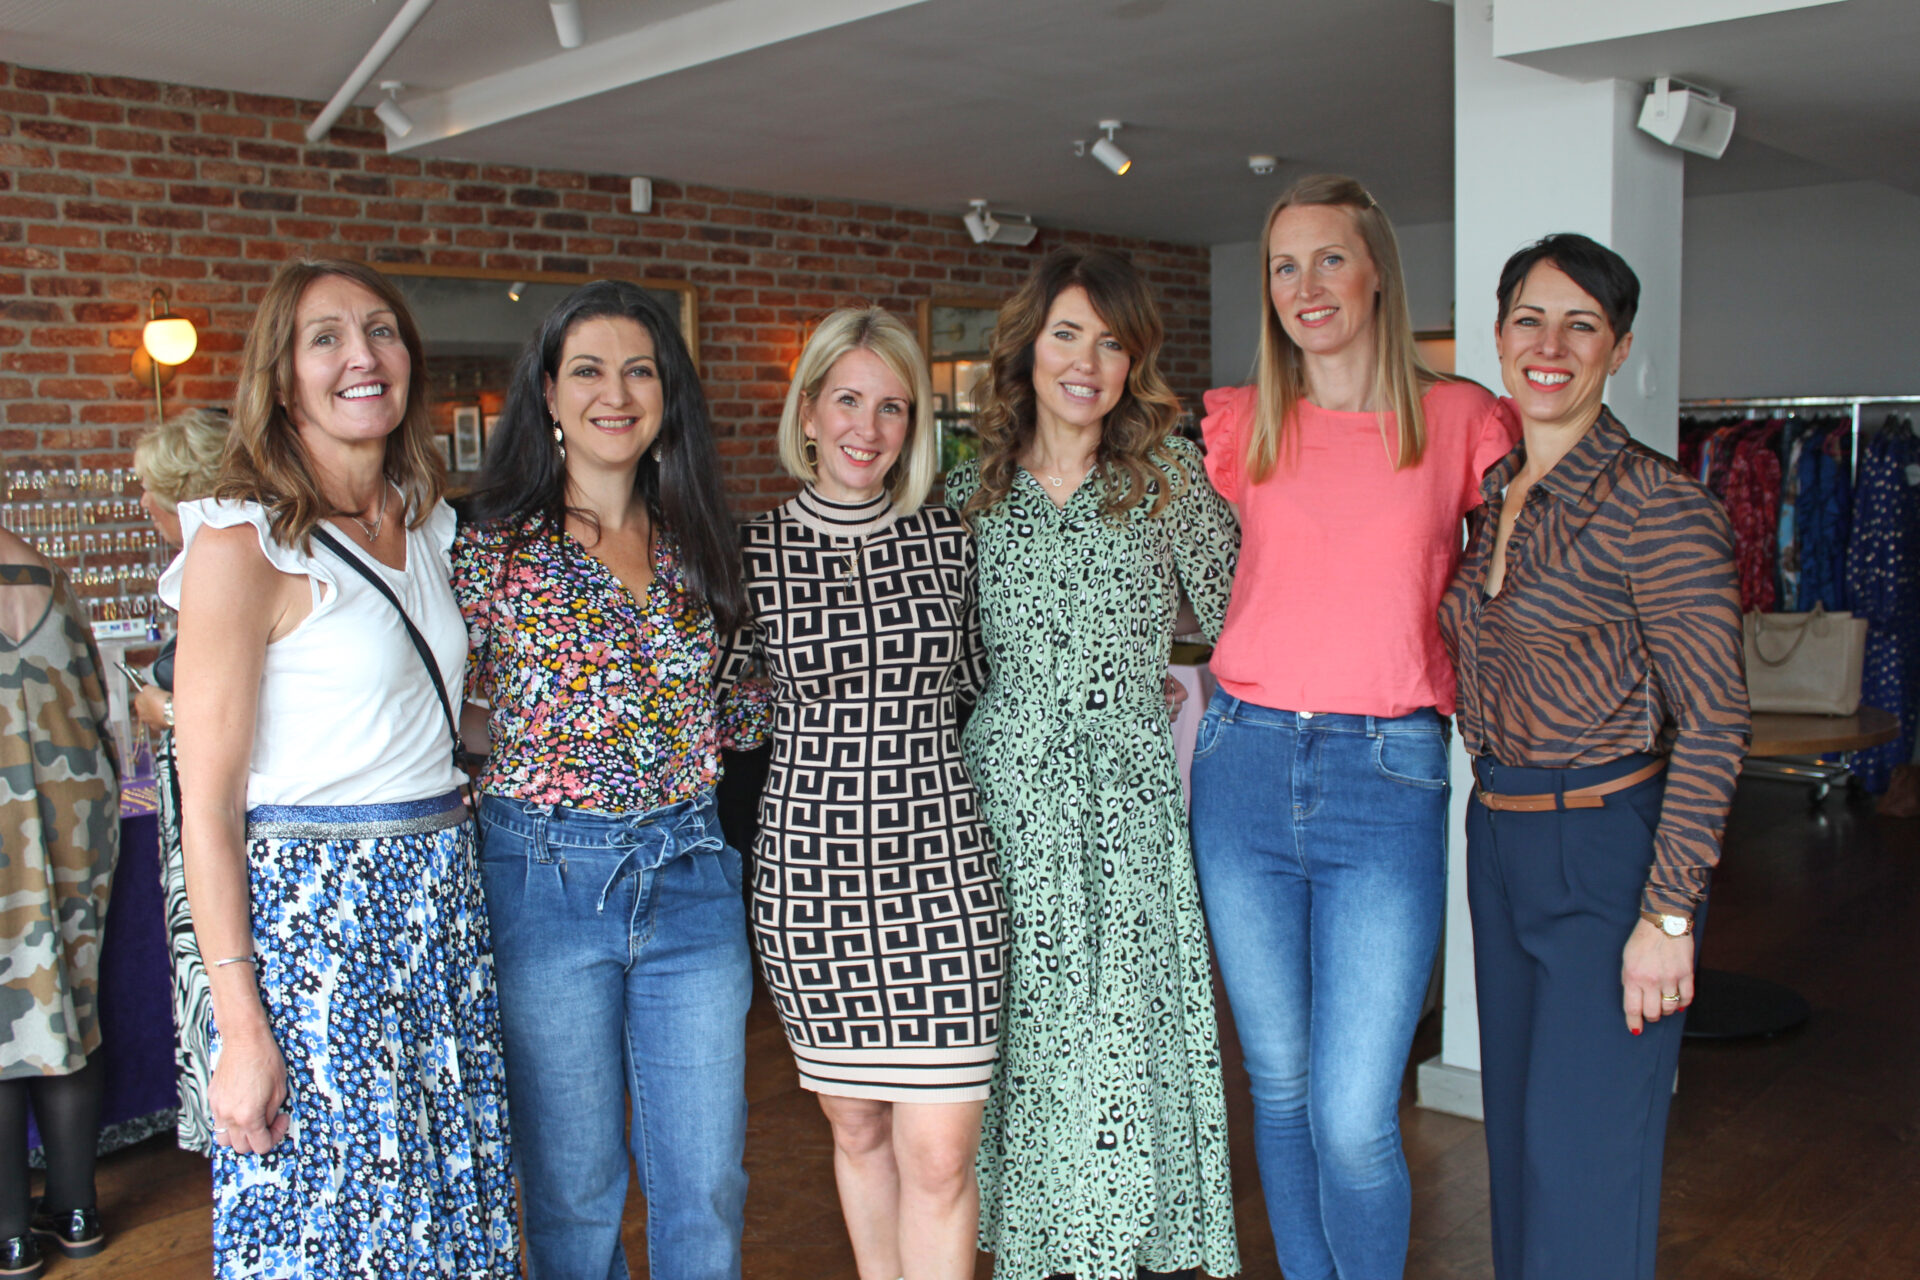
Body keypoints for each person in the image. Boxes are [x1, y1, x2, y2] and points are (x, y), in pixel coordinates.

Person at [1187, 174, 1516, 1280]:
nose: (1305, 285)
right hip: (1240, 761)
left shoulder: (1465, 420)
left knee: (1354, 1110)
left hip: (1387, 772)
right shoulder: (1238, 425)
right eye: (1284, 264)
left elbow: (1544, 565)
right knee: (1276, 1081)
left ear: (1377, 270)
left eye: (1330, 258)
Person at [163, 258, 518, 1278]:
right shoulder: (242, 544)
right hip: (319, 923)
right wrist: (239, 1025)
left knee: (447, 1201)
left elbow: (440, 717)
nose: (361, 356)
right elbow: (209, 806)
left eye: (382, 331)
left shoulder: (431, 520)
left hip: (440, 903)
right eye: (325, 338)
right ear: (281, 379)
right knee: (341, 1221)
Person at [1438, 233, 1748, 1280]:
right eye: (1530, 318)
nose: (1551, 344)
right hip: (1500, 835)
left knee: (1587, 1162)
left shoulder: (1660, 506)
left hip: (1610, 849)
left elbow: (1715, 722)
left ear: (1617, 348)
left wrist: (1668, 912)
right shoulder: (1490, 500)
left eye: (1582, 324)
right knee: (1519, 1147)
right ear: (1498, 335)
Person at [454, 279, 768, 1280]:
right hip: (542, 879)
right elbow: (438, 712)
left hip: (690, 874)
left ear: (667, 392)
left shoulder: (701, 544)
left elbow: (742, 709)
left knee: (707, 1182)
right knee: (574, 1193)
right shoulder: (489, 547)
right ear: (547, 391)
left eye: (640, 369)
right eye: (587, 368)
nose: (615, 391)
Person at [947, 247, 1241, 1280]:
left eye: (1113, 342)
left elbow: (1243, 603)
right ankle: (1038, 1248)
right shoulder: (968, 487)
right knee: (1026, 1043)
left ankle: (1116, 1248)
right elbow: (941, 651)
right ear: (1028, 347)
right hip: (1003, 796)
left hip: (1125, 791)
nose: (1089, 360)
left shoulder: (1163, 475)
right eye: (1069, 333)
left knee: (1120, 1036)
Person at [720, 307, 1006, 1280]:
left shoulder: (948, 543)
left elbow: (977, 685)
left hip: (943, 875)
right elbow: (729, 713)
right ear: (807, 412)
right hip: (815, 883)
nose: (868, 428)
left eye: (893, 406)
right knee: (857, 1129)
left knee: (940, 1149)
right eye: (848, 398)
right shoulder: (748, 555)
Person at [0, 523, 119, 1278]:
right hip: (74, 819)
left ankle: (10, 1232)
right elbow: (96, 704)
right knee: (73, 1006)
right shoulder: (48, 574)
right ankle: (76, 1209)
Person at [130, 405, 232, 1158]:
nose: (143, 506)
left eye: (148, 490)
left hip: (213, 815)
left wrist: (159, 703)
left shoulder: (218, 562)